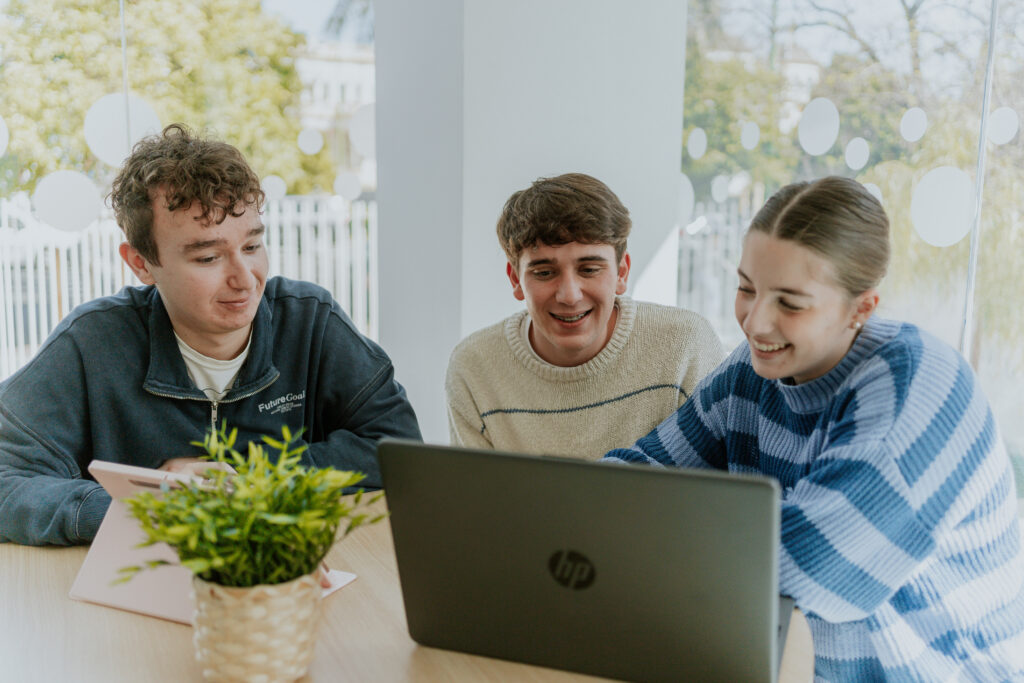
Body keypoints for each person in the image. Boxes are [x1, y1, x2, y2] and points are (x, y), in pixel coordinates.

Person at [604, 176, 1024, 680]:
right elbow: (626, 481)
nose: (756, 323)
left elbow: (793, 572)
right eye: (746, 288)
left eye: (790, 303)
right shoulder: (754, 371)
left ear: (861, 308)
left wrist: (626, 536)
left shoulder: (918, 389)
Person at [0, 123, 421, 546]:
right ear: (141, 263)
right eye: (208, 257)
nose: (245, 279)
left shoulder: (310, 321)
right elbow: (6, 478)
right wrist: (141, 507)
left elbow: (398, 451)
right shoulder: (92, 342)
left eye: (252, 247)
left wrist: (249, 475)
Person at [445, 173, 722, 459]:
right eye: (544, 273)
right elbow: (474, 501)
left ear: (622, 273)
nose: (569, 295)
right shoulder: (473, 367)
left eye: (589, 269)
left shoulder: (685, 346)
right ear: (515, 279)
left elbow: (719, 491)